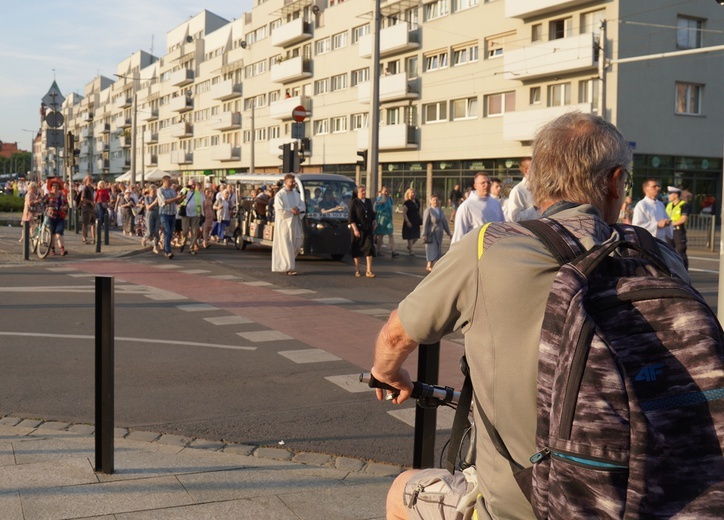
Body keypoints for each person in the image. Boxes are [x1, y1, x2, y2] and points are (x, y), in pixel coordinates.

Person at [370, 112, 688, 520]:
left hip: (526, 505)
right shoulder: (660, 257)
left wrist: (389, 372)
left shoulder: (488, 248)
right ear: (614, 182)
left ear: (538, 184)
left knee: (402, 491)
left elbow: (397, 336)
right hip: (659, 497)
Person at [450, 172, 504, 243]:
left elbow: (503, 227)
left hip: (495, 248)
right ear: (475, 185)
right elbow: (459, 235)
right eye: (483, 183)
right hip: (475, 249)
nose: (486, 185)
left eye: (488, 182)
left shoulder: (496, 203)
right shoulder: (466, 206)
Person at [271, 174, 305, 275]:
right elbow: (279, 210)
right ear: (285, 183)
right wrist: (291, 210)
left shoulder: (296, 194)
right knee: (287, 245)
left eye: (294, 182)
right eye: (291, 182)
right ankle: (289, 268)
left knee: (297, 244)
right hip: (284, 224)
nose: (293, 183)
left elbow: (302, 206)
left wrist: (298, 209)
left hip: (295, 222)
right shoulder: (280, 195)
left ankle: (289, 263)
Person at [348, 184, 376, 277]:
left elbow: (372, 213)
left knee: (369, 247)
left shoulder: (368, 201)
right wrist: (355, 229)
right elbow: (351, 218)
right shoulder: (354, 202)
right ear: (357, 193)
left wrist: (374, 221)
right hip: (357, 229)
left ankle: (369, 270)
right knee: (357, 249)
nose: (364, 192)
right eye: (362, 191)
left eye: (364, 190)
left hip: (367, 228)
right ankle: (357, 269)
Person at [157, 175, 184, 259]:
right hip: (164, 214)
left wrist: (182, 198)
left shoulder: (172, 190)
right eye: (169, 181)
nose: (170, 183)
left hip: (172, 214)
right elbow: (164, 202)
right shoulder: (160, 190)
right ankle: (167, 251)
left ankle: (166, 248)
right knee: (167, 231)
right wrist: (176, 198)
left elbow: (177, 201)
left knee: (170, 232)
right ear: (164, 181)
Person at [422, 194, 451, 272]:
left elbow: (444, 222)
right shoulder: (428, 210)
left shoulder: (440, 210)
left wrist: (449, 233)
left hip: (439, 234)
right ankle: (431, 266)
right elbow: (425, 223)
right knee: (432, 249)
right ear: (430, 201)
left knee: (437, 249)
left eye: (437, 200)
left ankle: (431, 265)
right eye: (434, 200)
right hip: (431, 234)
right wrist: (424, 234)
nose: (435, 201)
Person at [504, 157, 538, 222]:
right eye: (535, 168)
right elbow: (514, 218)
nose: (538, 170)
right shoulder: (518, 190)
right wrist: (534, 208)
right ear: (526, 171)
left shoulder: (542, 188)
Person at [42, 179, 69, 256]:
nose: (55, 187)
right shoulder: (48, 195)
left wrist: (64, 207)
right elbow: (42, 203)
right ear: (51, 187)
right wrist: (47, 208)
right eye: (53, 186)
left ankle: (62, 249)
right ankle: (52, 249)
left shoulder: (62, 196)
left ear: (59, 187)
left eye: (57, 186)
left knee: (59, 232)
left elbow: (67, 205)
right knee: (52, 233)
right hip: (51, 216)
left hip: (60, 216)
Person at [666, 185, 689, 269]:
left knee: (680, 252)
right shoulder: (669, 205)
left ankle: (684, 271)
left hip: (678, 231)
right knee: (669, 251)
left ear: (675, 195)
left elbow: (683, 219)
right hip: (669, 231)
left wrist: (671, 224)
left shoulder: (683, 205)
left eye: (670, 194)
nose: (668, 196)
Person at [178, 179, 204, 255]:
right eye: (191, 184)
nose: (192, 186)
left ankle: (191, 248)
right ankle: (183, 243)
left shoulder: (197, 193)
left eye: (194, 184)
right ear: (188, 184)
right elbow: (178, 199)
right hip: (185, 214)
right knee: (185, 232)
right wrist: (182, 197)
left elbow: (201, 204)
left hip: (195, 215)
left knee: (194, 232)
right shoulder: (184, 190)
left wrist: (202, 214)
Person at [374, 186, 398, 257]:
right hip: (381, 218)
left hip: (388, 219)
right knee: (380, 235)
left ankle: (393, 251)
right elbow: (375, 208)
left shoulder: (390, 199)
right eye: (385, 191)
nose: (386, 193)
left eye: (387, 191)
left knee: (391, 234)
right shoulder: (379, 199)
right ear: (381, 192)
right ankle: (378, 250)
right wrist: (380, 202)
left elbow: (390, 209)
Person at [401, 188, 422, 255]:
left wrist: (422, 218)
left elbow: (419, 211)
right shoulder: (407, 203)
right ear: (408, 194)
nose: (413, 194)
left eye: (414, 192)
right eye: (411, 193)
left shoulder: (417, 202)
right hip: (409, 220)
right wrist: (407, 221)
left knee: (416, 236)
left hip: (416, 220)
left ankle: (409, 246)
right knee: (410, 236)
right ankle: (411, 251)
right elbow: (404, 212)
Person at [142, 184, 160, 254]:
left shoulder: (157, 197)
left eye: (155, 191)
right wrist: (155, 202)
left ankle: (155, 246)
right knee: (149, 231)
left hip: (157, 214)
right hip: (149, 214)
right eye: (153, 191)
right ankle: (144, 238)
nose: (154, 192)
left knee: (156, 231)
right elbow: (148, 208)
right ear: (150, 191)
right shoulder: (147, 198)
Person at [79, 176, 96, 245]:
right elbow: (82, 199)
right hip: (86, 208)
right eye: (89, 180)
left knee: (93, 223)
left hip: (91, 208)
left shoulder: (91, 188)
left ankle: (94, 239)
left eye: (91, 179)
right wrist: (90, 202)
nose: (91, 181)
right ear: (86, 181)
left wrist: (93, 203)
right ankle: (84, 239)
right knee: (85, 224)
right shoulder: (85, 188)